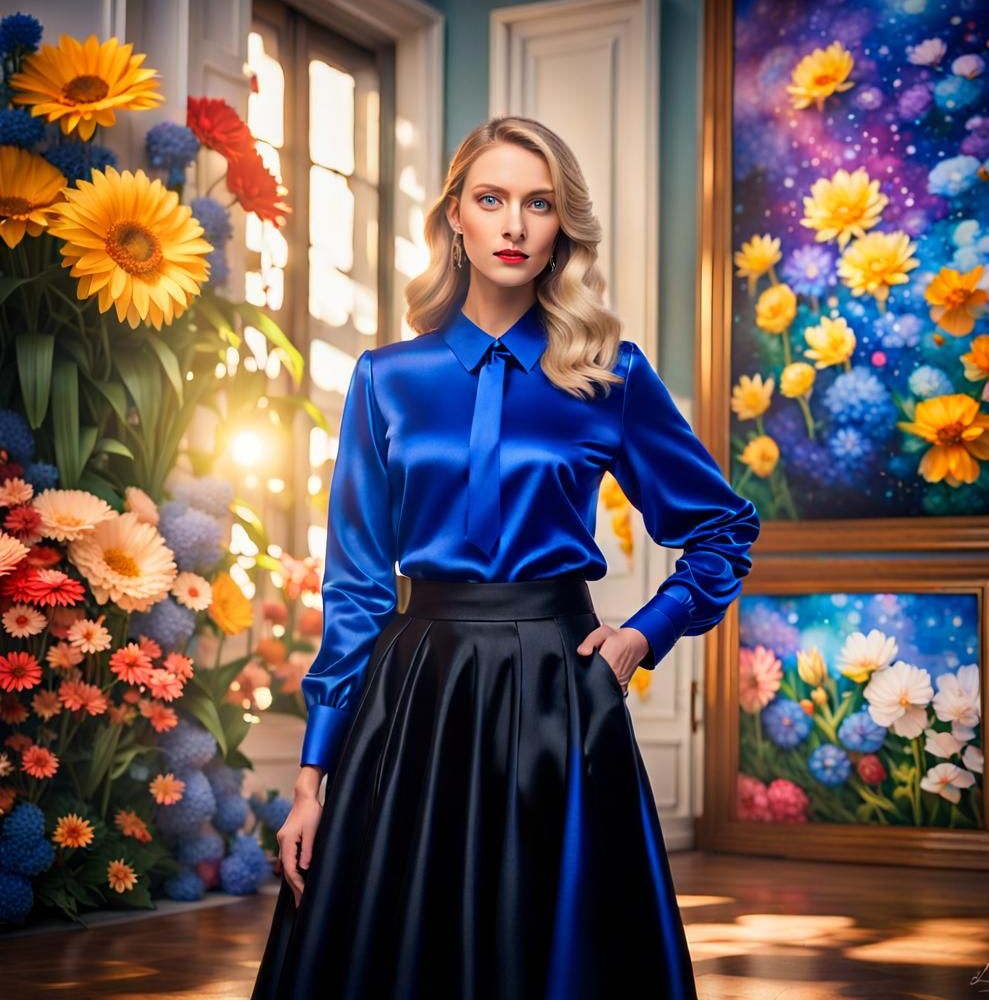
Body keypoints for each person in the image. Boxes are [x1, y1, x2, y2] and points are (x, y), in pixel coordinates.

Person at [251, 115, 760, 1000]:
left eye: (539, 204)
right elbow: (358, 584)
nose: (515, 225)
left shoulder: (610, 374)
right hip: (413, 693)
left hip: (557, 691)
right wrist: (311, 775)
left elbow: (724, 525)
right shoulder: (386, 377)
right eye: (492, 201)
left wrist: (646, 633)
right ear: (456, 216)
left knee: (551, 942)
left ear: (563, 226)